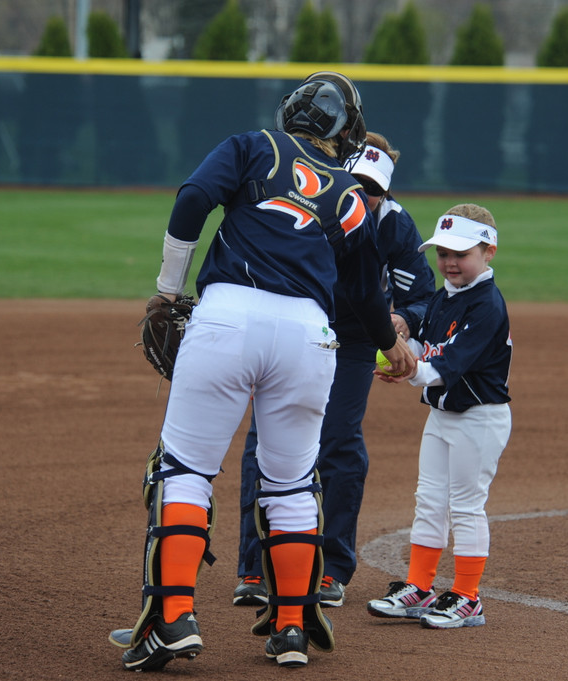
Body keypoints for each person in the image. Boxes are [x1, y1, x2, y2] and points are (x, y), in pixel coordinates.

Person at [115, 71, 416, 671]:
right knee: (292, 482)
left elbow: (193, 199)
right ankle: (291, 628)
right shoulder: (352, 197)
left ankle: (172, 618)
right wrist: (393, 346)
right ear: (348, 134)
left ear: (291, 114)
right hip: (310, 337)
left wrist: (166, 292)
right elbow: (360, 293)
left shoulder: (255, 145)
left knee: (185, 469)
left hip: (228, 315)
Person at [234, 132, 435, 609]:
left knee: (339, 440)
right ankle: (254, 565)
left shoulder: (394, 226)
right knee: (265, 439)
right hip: (294, 328)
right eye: (356, 182)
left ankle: (331, 569)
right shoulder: (310, 202)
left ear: (386, 192)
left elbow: (421, 298)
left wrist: (403, 320)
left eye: (375, 188)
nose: (365, 194)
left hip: (355, 339)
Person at [365, 203, 512, 629]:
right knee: (429, 502)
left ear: (489, 252)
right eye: (442, 253)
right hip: (443, 417)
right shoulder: (442, 299)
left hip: (480, 419)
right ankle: (419, 587)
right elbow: (425, 351)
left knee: (466, 507)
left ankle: (468, 597)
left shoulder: (487, 306)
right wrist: (403, 358)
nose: (449, 262)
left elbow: (439, 368)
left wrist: (405, 366)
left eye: (460, 253)